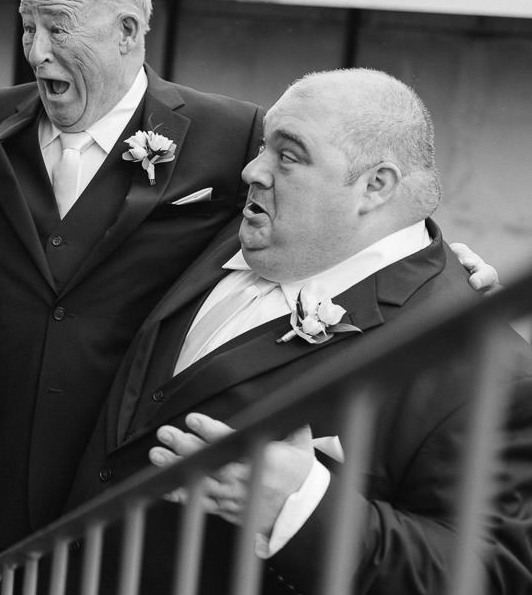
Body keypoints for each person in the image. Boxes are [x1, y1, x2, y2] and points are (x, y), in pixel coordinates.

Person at [68, 69, 532, 593]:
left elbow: (500, 573)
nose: (251, 171)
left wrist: (304, 508)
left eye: (288, 155)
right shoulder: (240, 228)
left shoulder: (484, 369)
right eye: (263, 146)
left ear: (376, 186)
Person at [0, 0, 265, 555]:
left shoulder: (231, 135)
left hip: (130, 480)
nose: (36, 51)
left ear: (127, 32)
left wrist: (443, 263)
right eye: (28, 28)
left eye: (57, 29)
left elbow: (325, 217)